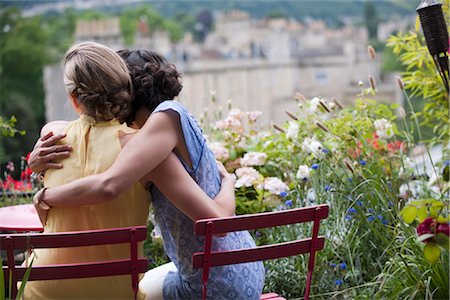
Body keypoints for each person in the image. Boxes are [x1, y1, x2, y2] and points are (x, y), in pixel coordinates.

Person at [29, 48, 265, 299]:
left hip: (213, 285)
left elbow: (109, 185)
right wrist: (228, 181)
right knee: (145, 278)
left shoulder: (159, 128)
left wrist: (44, 196)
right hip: (243, 266)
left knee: (142, 284)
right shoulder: (173, 119)